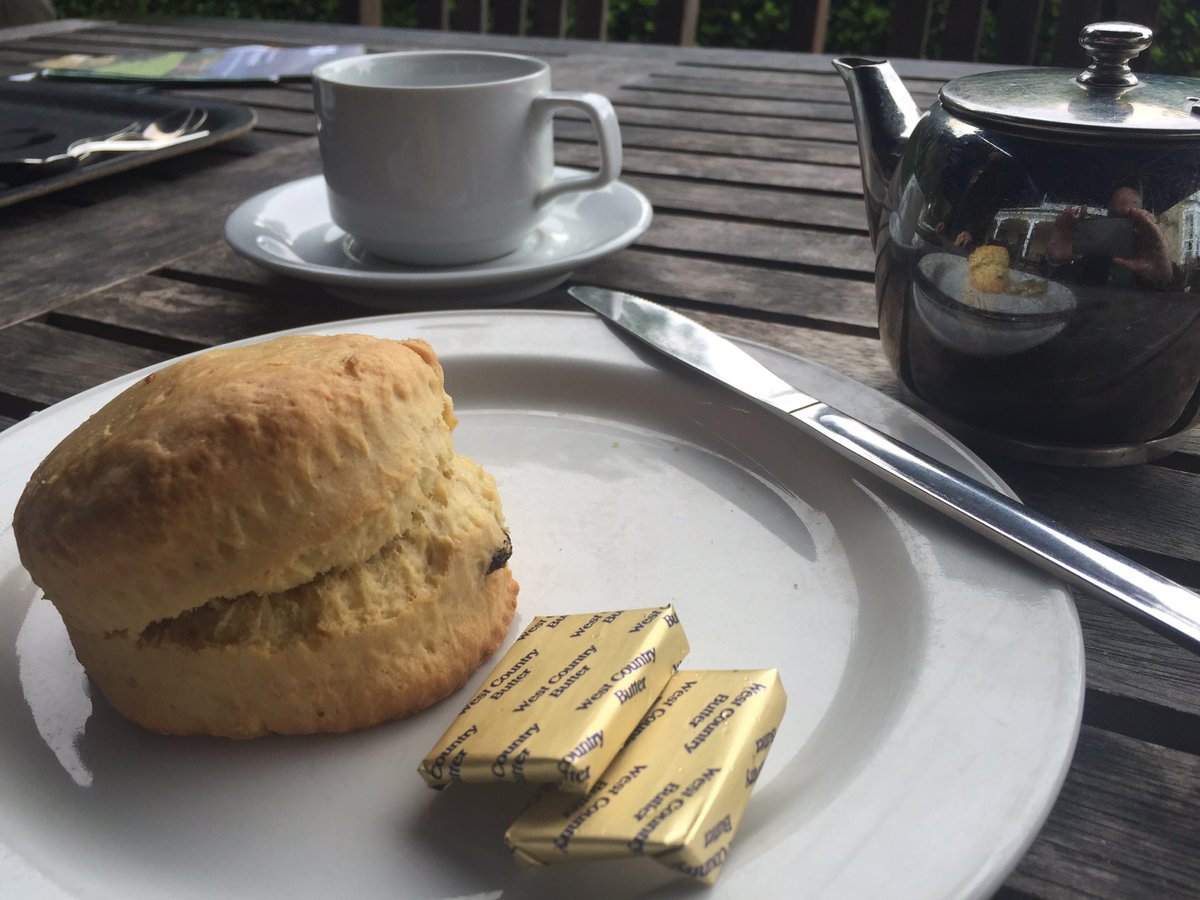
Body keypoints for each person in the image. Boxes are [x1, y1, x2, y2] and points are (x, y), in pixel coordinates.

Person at [1047, 185, 1173, 287]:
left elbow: (1180, 303)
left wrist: (1164, 276)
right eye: (1113, 218)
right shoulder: (1089, 255)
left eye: (1128, 219)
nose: (1119, 225)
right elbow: (1058, 293)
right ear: (1106, 218)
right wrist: (1057, 262)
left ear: (1144, 219)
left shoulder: (1152, 258)